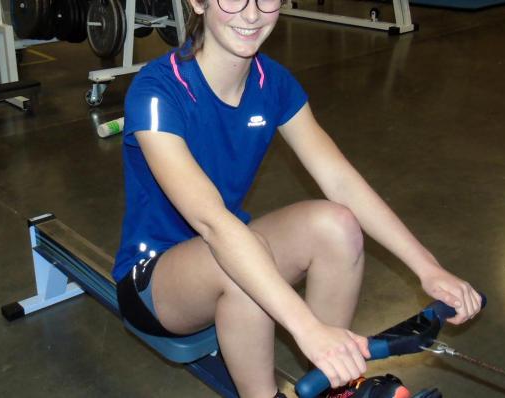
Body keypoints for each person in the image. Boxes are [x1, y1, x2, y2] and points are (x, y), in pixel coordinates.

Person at [112, 0, 483, 396]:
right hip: (155, 280)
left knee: (336, 224)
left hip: (229, 249)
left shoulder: (273, 83)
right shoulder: (157, 90)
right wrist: (308, 329)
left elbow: (341, 181)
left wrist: (428, 268)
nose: (252, 14)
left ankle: (333, 387)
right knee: (242, 263)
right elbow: (212, 223)